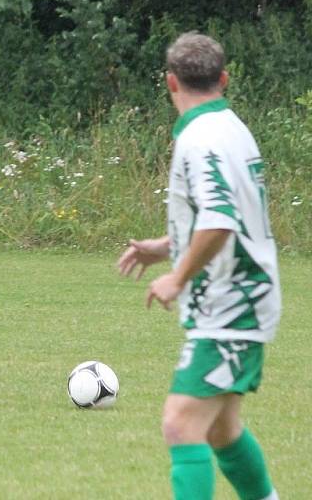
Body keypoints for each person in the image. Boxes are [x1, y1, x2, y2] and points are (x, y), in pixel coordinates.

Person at [117, 32, 280, 500]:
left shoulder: (201, 139)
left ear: (170, 82)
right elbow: (230, 215)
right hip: (240, 297)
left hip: (235, 303)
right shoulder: (230, 127)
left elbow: (221, 220)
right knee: (221, 429)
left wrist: (177, 275)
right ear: (224, 79)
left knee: (181, 421)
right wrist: (167, 246)